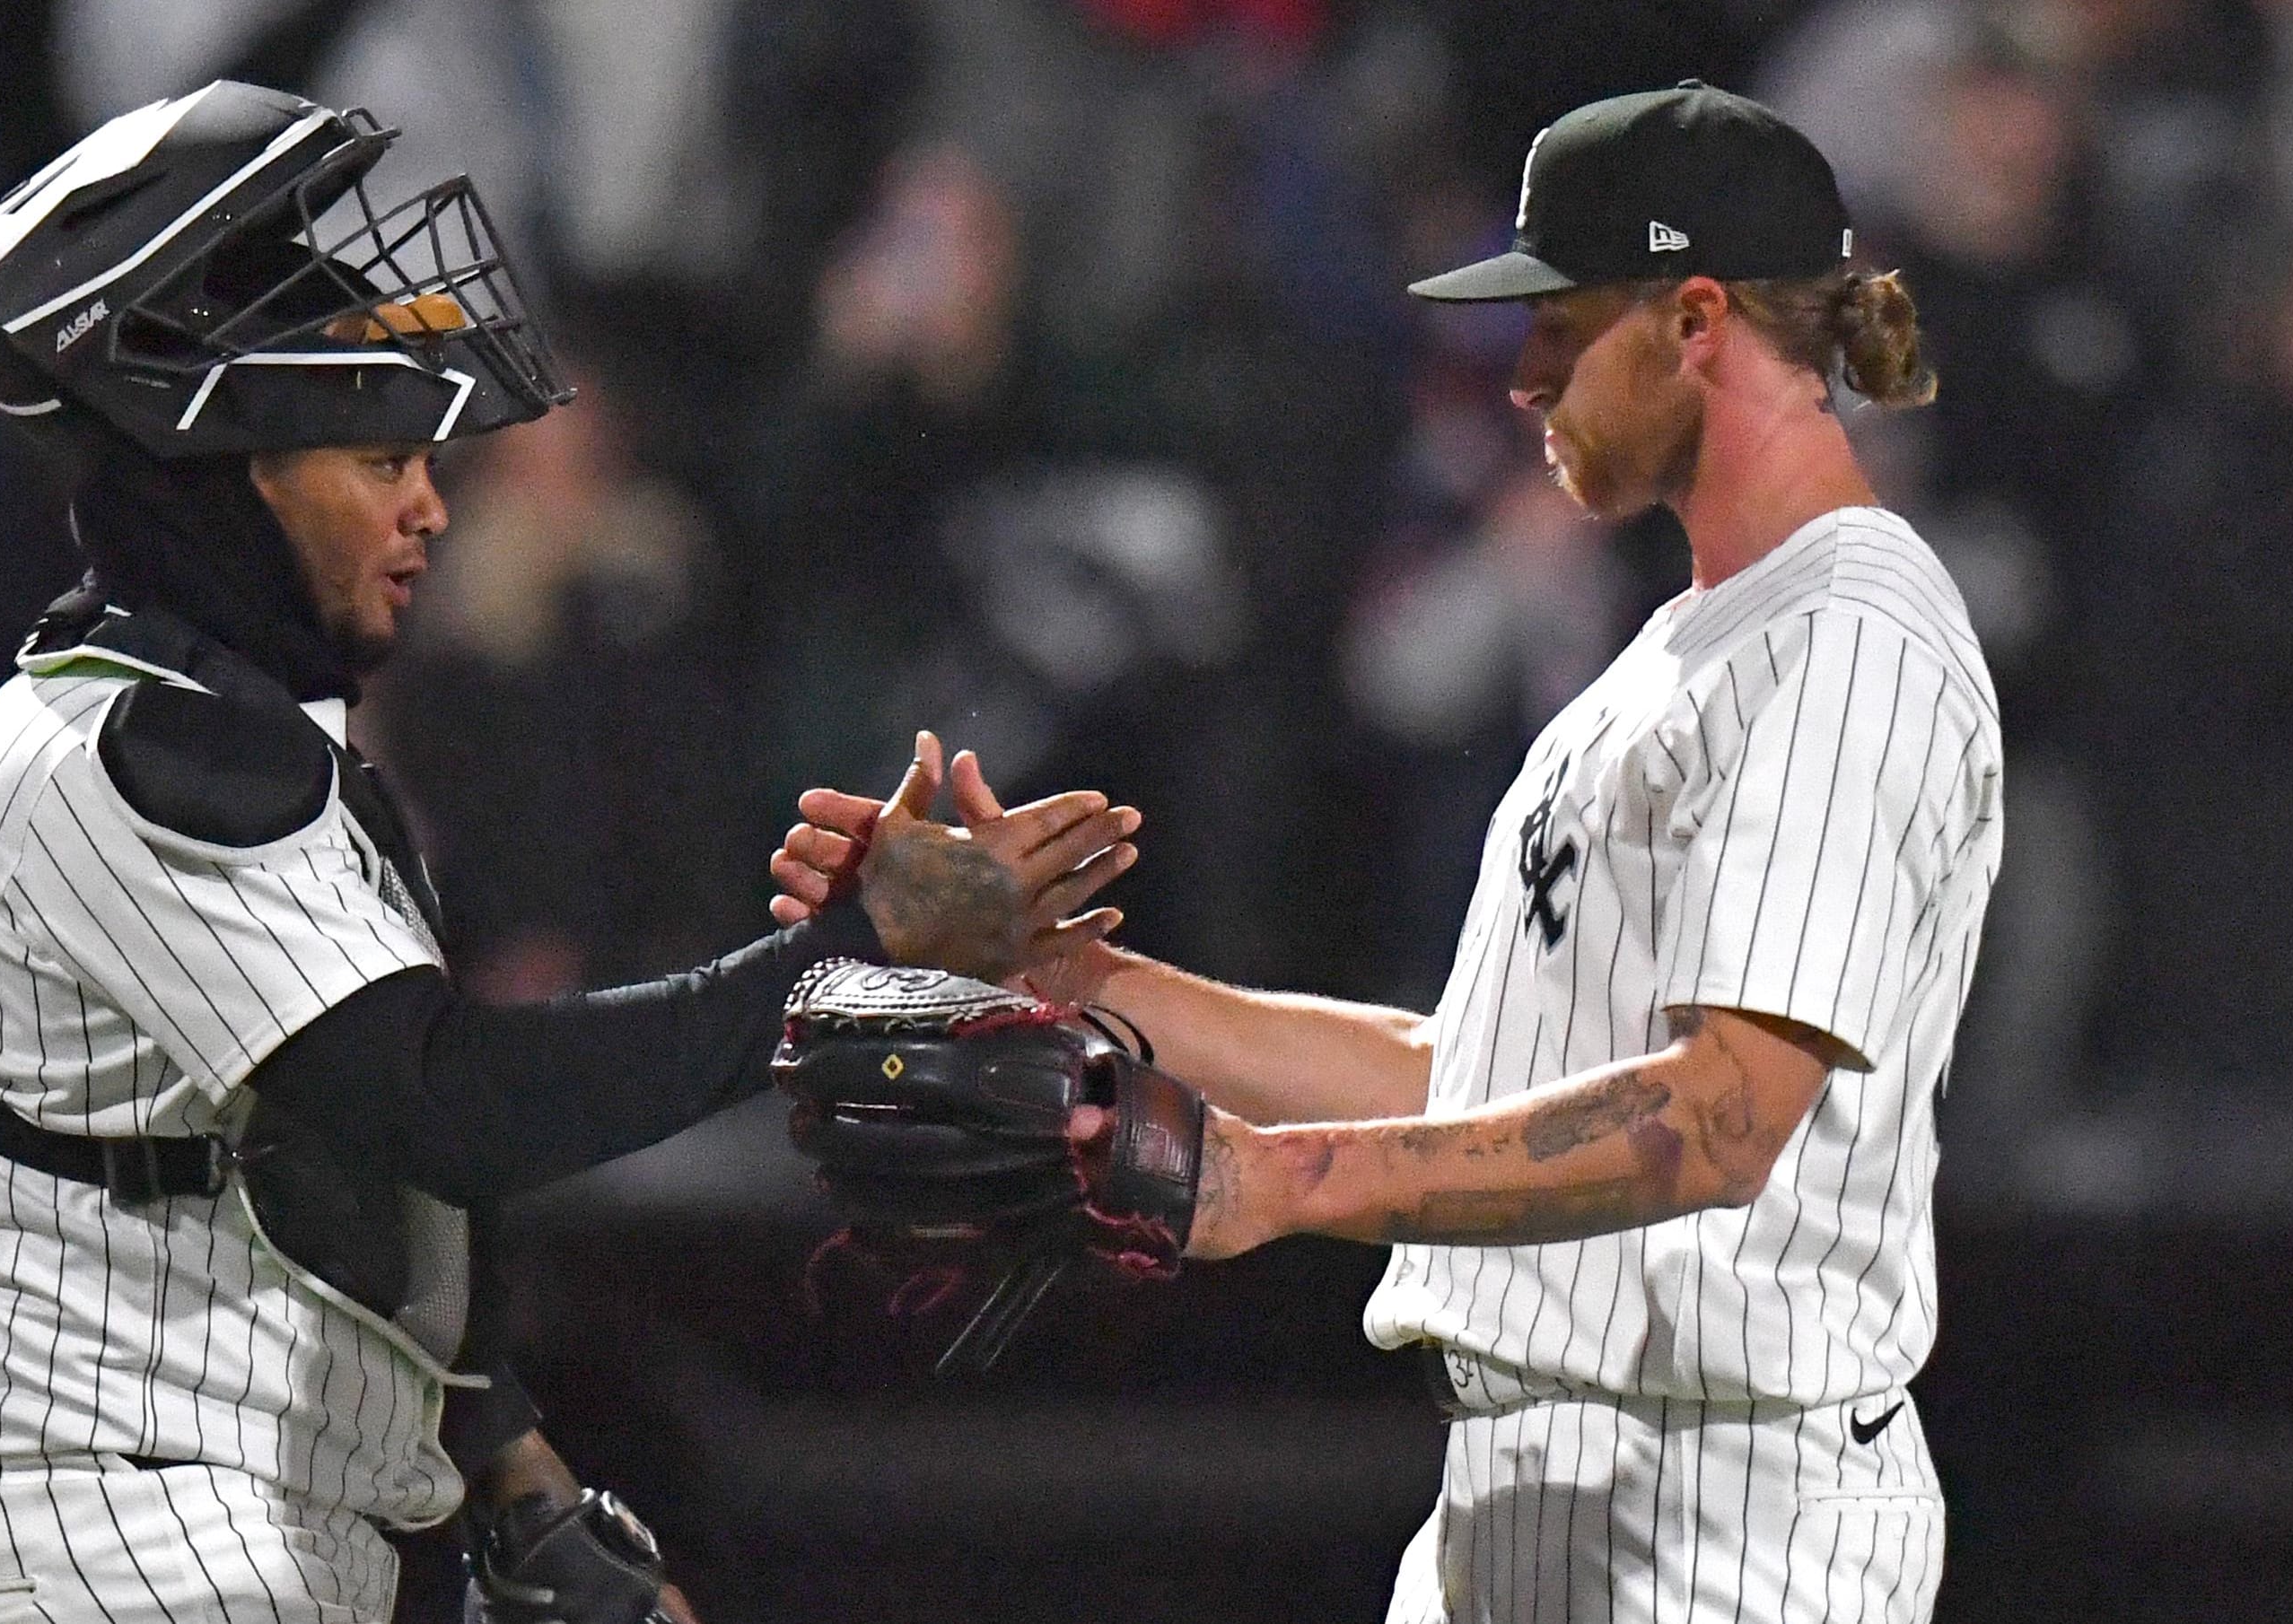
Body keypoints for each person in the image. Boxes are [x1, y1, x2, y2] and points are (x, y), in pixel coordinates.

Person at [0, 81, 1137, 1624]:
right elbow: (446, 1107)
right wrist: (842, 957)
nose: (432, 506)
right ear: (227, 469)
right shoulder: (128, 759)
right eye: (380, 460)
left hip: (164, 1529)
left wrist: (512, 1469)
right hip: (83, 1547)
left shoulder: (207, 731)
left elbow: (333, 1180)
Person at [775, 82, 2001, 1623]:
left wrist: (1286, 1184)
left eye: (1557, 325)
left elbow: (1723, 1117)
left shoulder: (1848, 644)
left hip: (1728, 1522)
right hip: (1545, 1500)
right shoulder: (1687, 649)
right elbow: (1486, 1076)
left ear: (1696, 321)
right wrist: (1072, 973)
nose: (1520, 376)